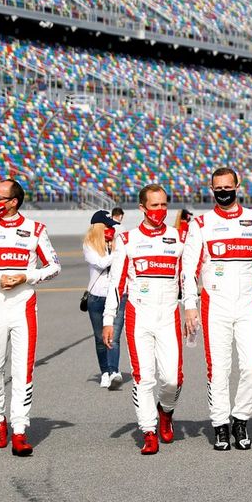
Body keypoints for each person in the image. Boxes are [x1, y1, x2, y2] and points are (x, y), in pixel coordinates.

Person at [183, 167, 252, 451]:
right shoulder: (201, 224)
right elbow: (188, 270)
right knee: (219, 370)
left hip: (248, 304)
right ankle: (220, 425)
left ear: (238, 185)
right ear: (211, 189)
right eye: (218, 188)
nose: (223, 192)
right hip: (215, 305)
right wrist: (190, 305)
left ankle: (240, 418)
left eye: (228, 187)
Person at [0, 178, 60, 456]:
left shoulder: (35, 230)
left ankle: (18, 430)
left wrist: (27, 276)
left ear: (13, 202)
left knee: (22, 371)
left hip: (24, 308)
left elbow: (54, 266)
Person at [101, 185, 185, 455]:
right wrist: (108, 319)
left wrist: (192, 307)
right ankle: (148, 431)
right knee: (144, 377)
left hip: (169, 315)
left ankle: (166, 411)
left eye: (163, 205)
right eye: (154, 206)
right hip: (140, 315)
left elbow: (188, 277)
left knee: (173, 379)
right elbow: (116, 284)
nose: (159, 211)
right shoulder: (127, 239)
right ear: (142, 208)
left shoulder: (177, 237)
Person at [84, 210, 125, 389]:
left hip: (115, 295)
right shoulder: (88, 245)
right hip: (96, 297)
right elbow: (100, 263)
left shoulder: (116, 243)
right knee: (100, 338)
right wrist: (117, 253)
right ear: (99, 227)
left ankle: (114, 370)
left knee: (114, 336)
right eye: (107, 226)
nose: (110, 229)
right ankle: (105, 372)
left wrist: (117, 246)